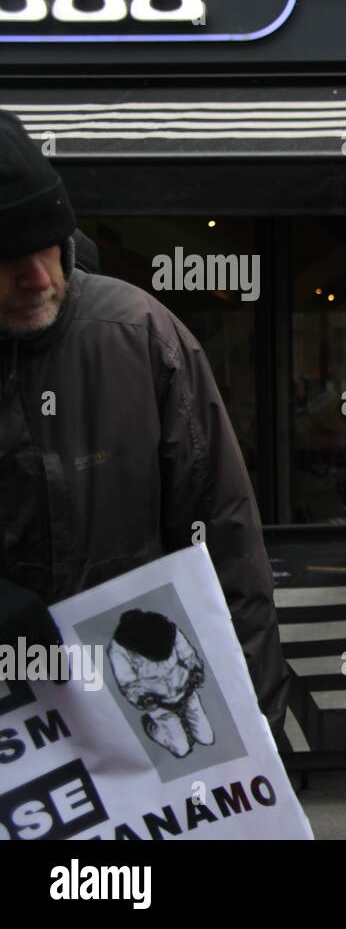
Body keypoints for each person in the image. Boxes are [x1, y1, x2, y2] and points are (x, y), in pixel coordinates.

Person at [0, 109, 290, 735]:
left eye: (48, 246)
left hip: (136, 699)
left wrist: (256, 723)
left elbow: (226, 538)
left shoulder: (137, 334)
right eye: (6, 258)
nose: (39, 278)